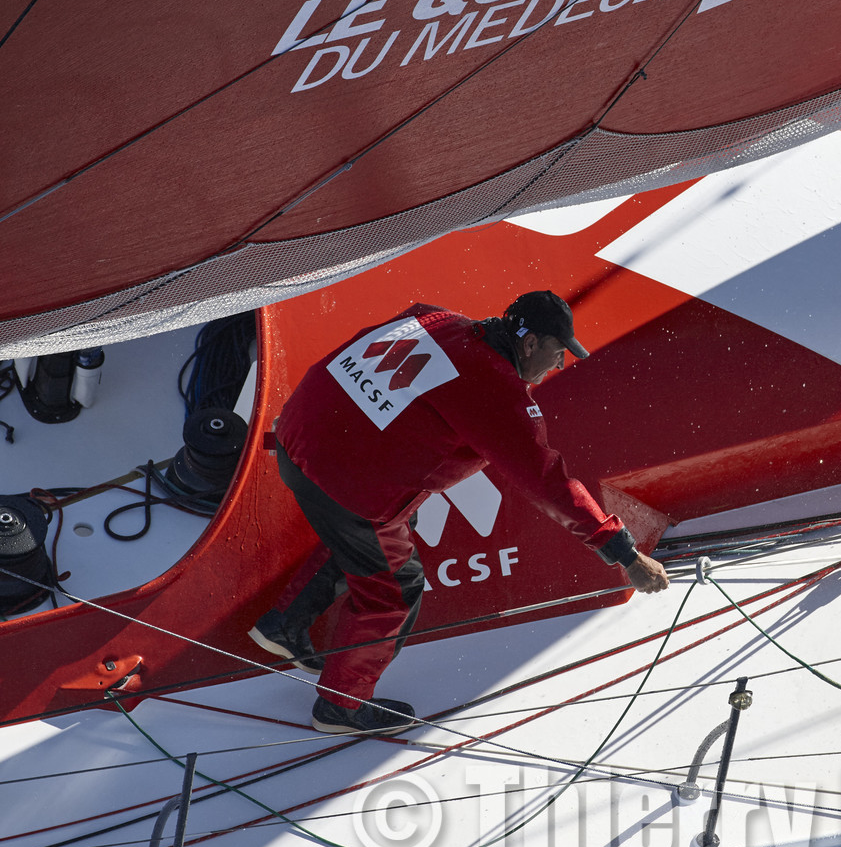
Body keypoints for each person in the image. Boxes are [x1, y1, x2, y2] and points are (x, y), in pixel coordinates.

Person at [249, 291, 669, 735]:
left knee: (374, 539)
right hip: (343, 485)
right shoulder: (495, 392)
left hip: (294, 441)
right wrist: (624, 554)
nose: (557, 365)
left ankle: (284, 624)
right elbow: (549, 483)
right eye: (556, 352)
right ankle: (341, 707)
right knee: (394, 585)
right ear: (529, 344)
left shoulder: (438, 319)